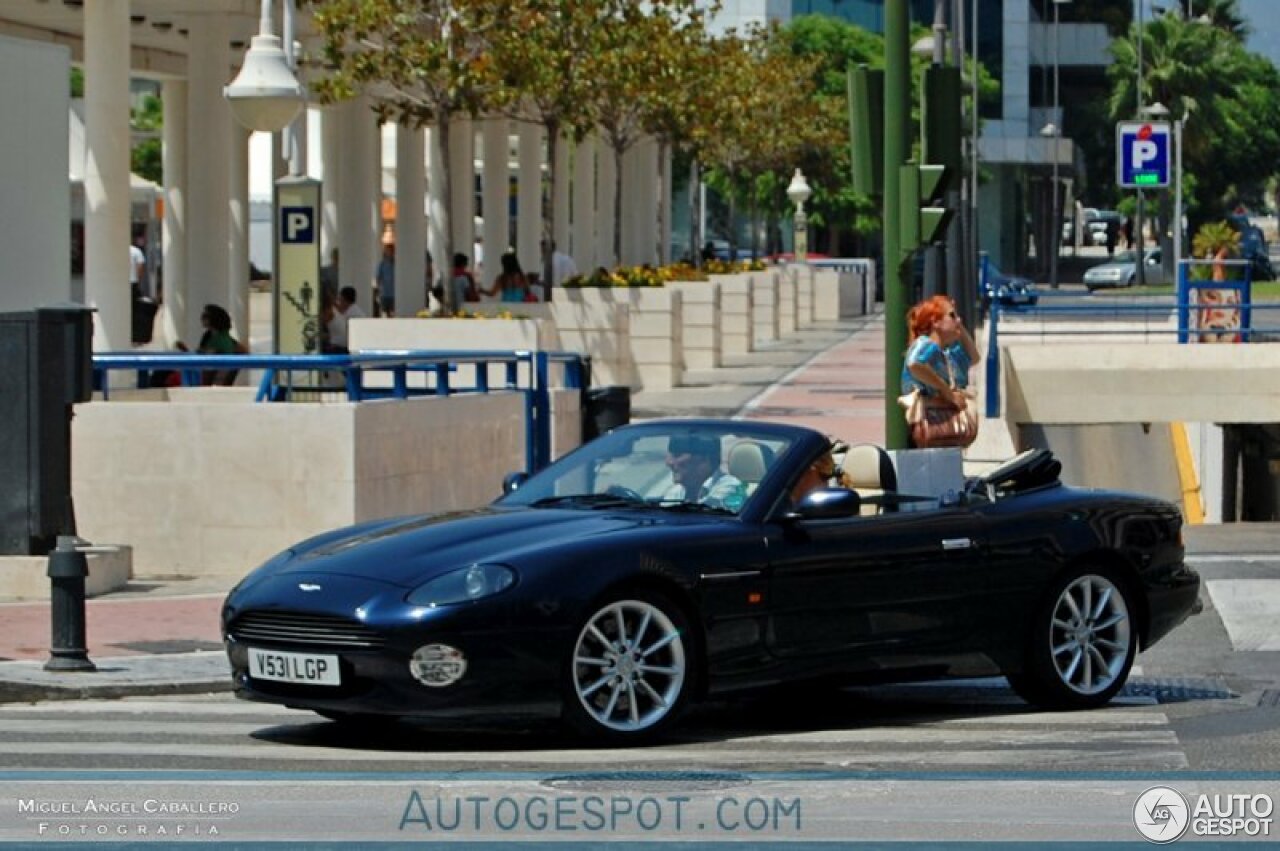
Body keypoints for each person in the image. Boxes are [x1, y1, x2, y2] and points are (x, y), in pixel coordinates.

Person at [901, 295, 968, 414]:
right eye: (952, 315)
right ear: (936, 322)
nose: (958, 320)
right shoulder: (925, 343)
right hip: (930, 421)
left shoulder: (944, 353)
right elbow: (914, 363)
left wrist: (958, 326)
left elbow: (974, 357)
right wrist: (947, 391)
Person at [661, 435, 746, 511]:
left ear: (704, 459)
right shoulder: (676, 492)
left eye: (677, 455)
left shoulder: (731, 488)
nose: (668, 462)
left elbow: (704, 519)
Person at [325, 286, 365, 354]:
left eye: (340, 298)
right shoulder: (352, 309)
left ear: (344, 299)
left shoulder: (353, 314)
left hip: (352, 349)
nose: (339, 300)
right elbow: (340, 309)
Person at [375, 239, 396, 317]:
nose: (389, 253)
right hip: (385, 293)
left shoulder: (397, 264)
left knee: (393, 312)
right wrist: (378, 290)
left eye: (390, 251)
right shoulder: (382, 264)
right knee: (385, 312)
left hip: (394, 293)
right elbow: (378, 277)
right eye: (387, 251)